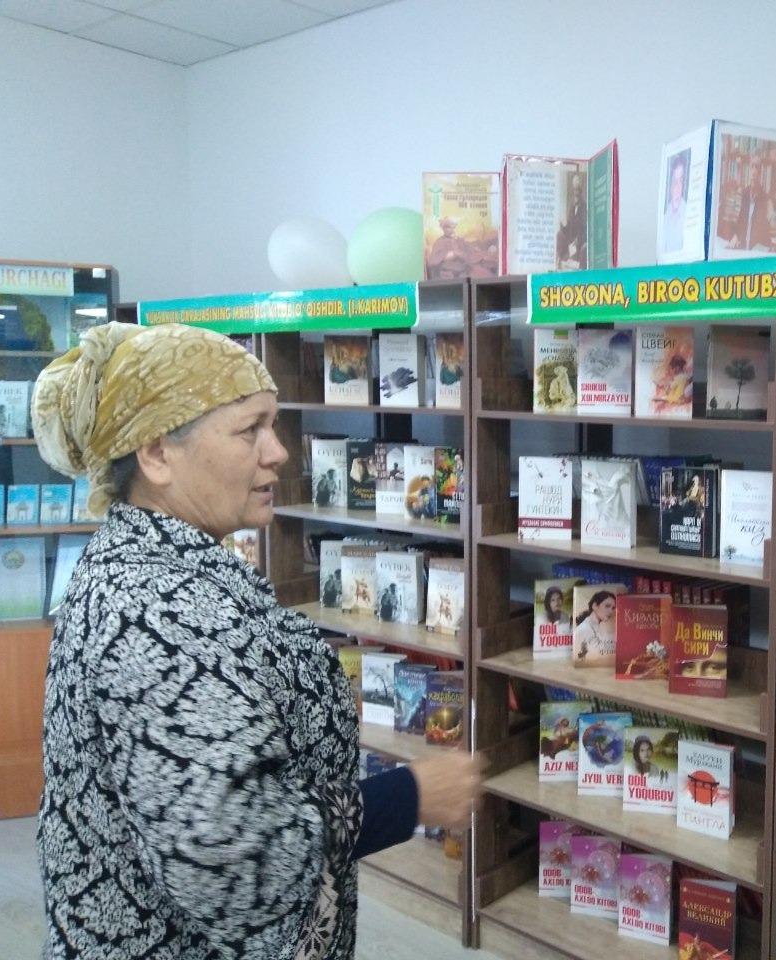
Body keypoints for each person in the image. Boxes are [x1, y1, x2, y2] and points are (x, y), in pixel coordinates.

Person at [30, 322, 481, 960]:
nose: (279, 453)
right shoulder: (159, 612)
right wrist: (408, 798)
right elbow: (232, 863)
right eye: (250, 430)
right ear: (156, 454)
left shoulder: (156, 567)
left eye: (274, 424)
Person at [573, 589, 617, 660]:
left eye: (613, 608)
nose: (611, 611)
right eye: (607, 606)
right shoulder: (585, 629)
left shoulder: (595, 627)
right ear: (595, 606)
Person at [556, 172, 587, 269]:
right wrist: (562, 227)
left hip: (579, 242)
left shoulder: (584, 208)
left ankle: (569, 262)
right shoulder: (572, 207)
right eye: (574, 190)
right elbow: (569, 225)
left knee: (572, 257)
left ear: (580, 191)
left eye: (577, 190)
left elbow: (585, 229)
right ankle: (562, 260)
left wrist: (577, 240)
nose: (575, 193)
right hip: (570, 241)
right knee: (559, 234)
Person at [662, 151, 688, 254]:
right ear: (669, 185)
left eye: (681, 181)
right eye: (675, 182)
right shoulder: (665, 216)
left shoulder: (688, 214)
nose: (678, 188)